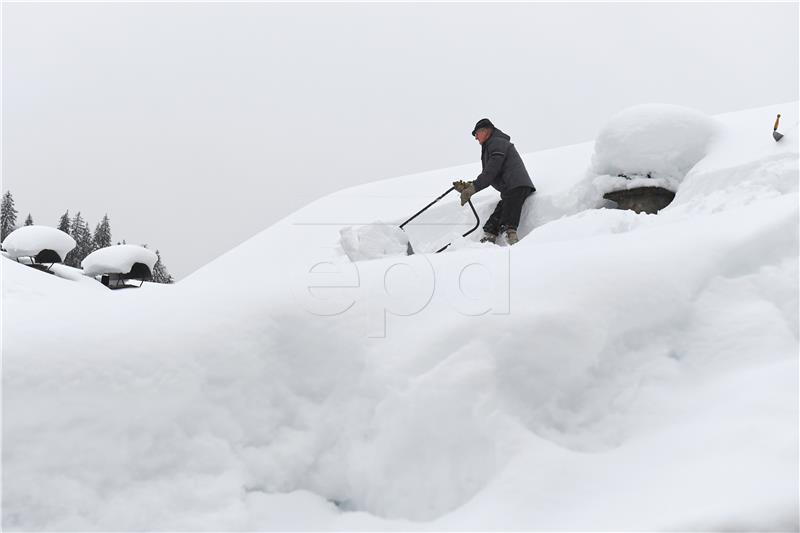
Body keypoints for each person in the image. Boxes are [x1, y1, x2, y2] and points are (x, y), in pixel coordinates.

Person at [453, 118, 535, 245]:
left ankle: (513, 242)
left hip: (516, 185)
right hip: (510, 188)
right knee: (499, 213)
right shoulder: (492, 144)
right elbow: (489, 173)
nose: (475, 138)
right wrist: (470, 185)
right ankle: (489, 236)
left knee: (508, 220)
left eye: (476, 134)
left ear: (485, 131)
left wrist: (473, 188)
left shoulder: (496, 143)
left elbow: (491, 171)